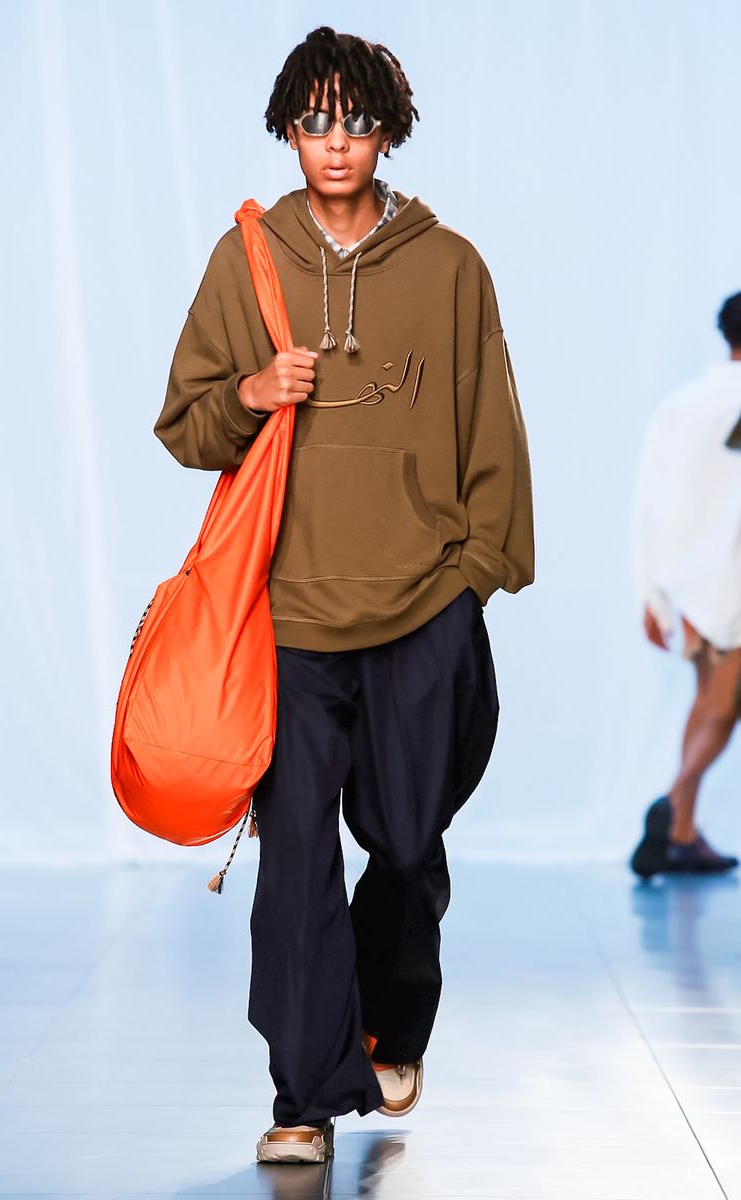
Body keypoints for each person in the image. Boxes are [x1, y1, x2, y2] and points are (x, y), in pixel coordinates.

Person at [153, 26, 534, 1164]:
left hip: (423, 602)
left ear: (387, 132)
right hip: (286, 613)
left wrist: (473, 574)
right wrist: (253, 392)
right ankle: (303, 1095)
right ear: (287, 128)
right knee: (296, 863)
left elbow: (493, 428)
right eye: (314, 121)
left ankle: (387, 1024)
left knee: (408, 839)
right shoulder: (248, 261)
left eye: (356, 121)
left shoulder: (450, 265)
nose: (334, 142)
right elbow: (185, 425)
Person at [629, 291, 741, 880]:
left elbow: (648, 500)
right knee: (725, 705)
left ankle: (682, 833)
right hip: (733, 577)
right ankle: (672, 803)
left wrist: (651, 594)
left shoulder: (682, 402)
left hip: (688, 581)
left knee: (708, 701)